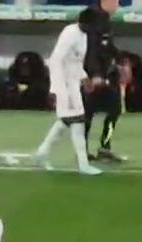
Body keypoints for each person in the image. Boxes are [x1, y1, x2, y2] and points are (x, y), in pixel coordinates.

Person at [32, 10, 103, 176]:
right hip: (64, 85)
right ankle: (83, 164)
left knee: (65, 121)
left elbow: (75, 61)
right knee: (77, 123)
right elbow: (56, 60)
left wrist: (85, 78)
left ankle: (41, 154)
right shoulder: (70, 34)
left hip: (73, 84)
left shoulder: (83, 36)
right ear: (87, 23)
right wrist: (55, 89)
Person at [82, 0, 123, 163]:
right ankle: (82, 149)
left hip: (105, 75)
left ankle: (105, 146)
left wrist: (121, 59)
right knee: (87, 114)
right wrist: (95, 74)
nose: (117, 5)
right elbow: (91, 49)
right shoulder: (93, 18)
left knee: (115, 109)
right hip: (92, 76)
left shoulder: (104, 19)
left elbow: (107, 45)